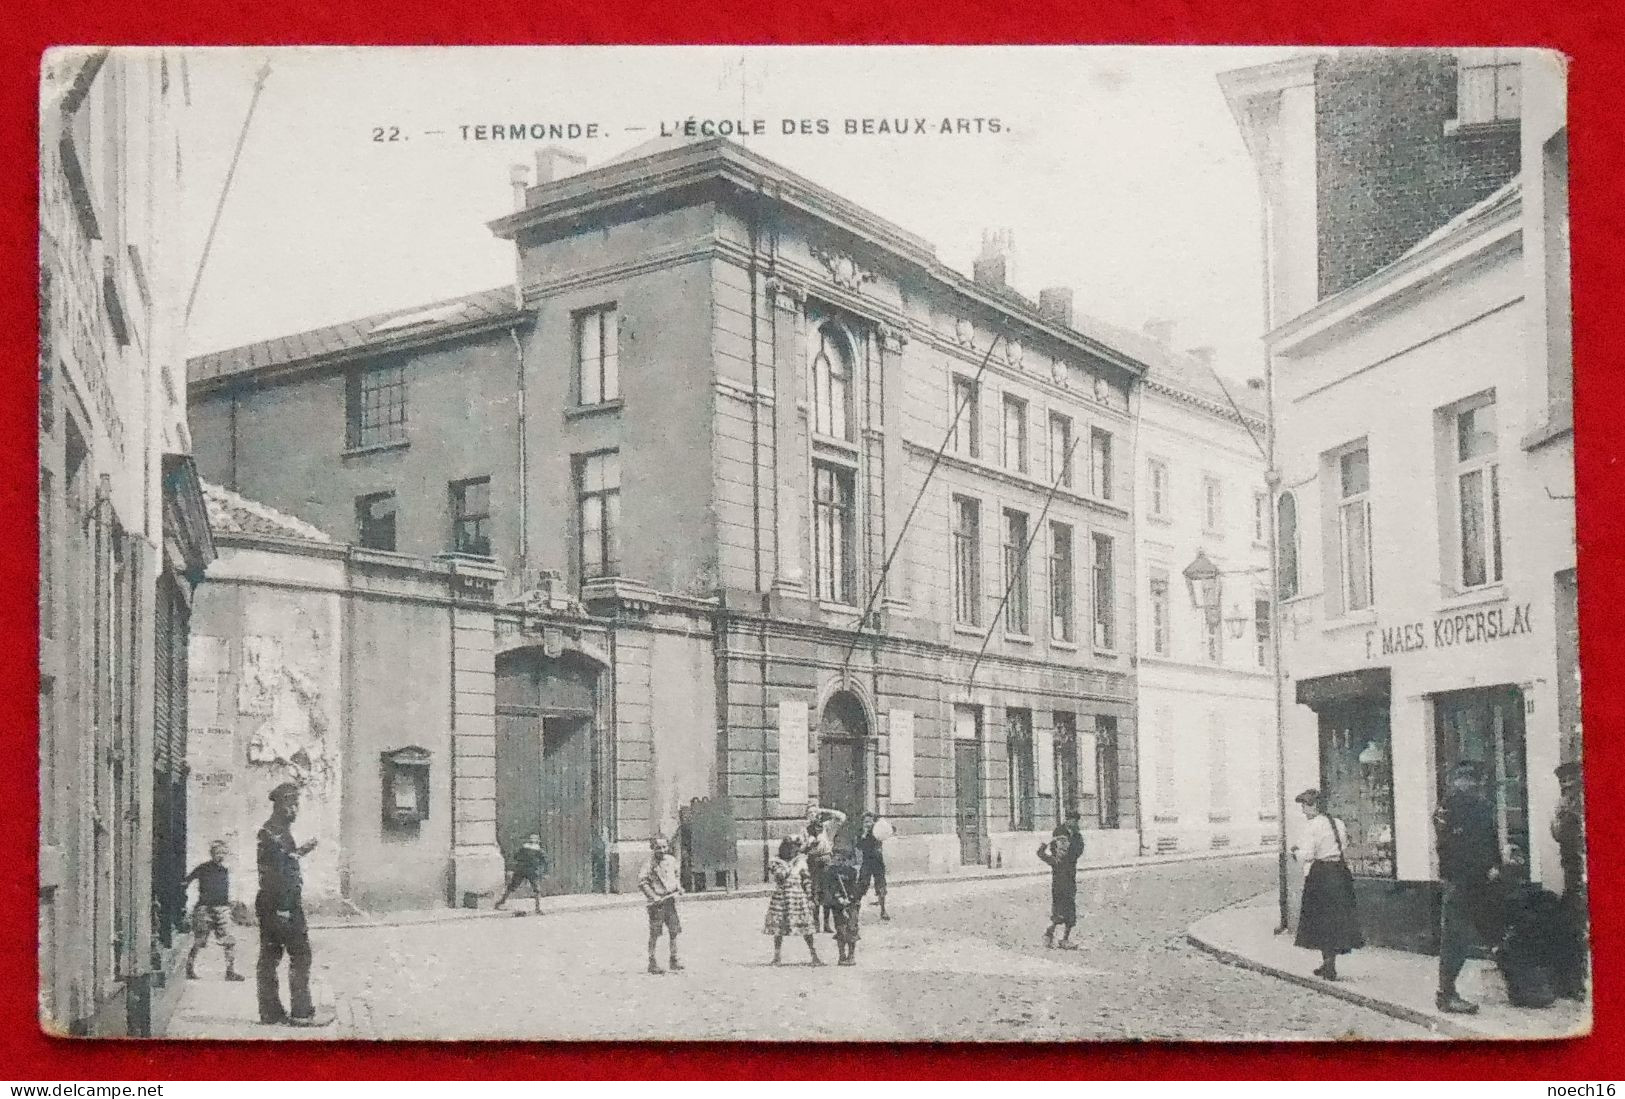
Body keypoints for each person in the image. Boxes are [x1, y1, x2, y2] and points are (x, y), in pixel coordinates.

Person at [256, 781, 332, 1026]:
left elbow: (284, 862)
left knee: (270, 955)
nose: (296, 810)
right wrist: (285, 908)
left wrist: (302, 851)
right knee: (300, 955)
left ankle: (270, 1013)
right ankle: (301, 1013)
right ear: (281, 805)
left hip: (271, 903)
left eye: (296, 804)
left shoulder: (273, 831)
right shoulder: (274, 834)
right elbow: (277, 875)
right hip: (282, 903)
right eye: (292, 804)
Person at [1434, 760, 1504, 1014]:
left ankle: (1520, 984)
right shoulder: (1447, 808)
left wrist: (1495, 865)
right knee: (1456, 937)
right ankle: (1446, 994)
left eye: (1472, 779)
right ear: (1455, 781)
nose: (1468, 783)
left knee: (1496, 932)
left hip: (1485, 880)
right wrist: (1482, 865)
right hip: (1459, 880)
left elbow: (1491, 840)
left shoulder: (1483, 807)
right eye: (1462, 779)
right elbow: (1448, 846)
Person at [1288, 788, 1363, 980]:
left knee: (1322, 920)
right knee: (1336, 919)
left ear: (1314, 806)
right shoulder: (1337, 823)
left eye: (1305, 806)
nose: (1303, 810)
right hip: (1339, 871)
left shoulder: (1312, 826)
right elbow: (1343, 845)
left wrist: (1295, 852)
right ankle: (1329, 963)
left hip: (1321, 874)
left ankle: (1329, 966)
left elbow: (1309, 854)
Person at [1549, 760, 1588, 1000]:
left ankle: (1576, 984)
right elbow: (1558, 835)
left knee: (1576, 930)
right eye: (1563, 783)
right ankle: (1574, 984)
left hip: (1580, 878)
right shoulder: (1565, 806)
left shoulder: (1572, 806)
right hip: (1574, 877)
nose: (1566, 787)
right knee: (1573, 930)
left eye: (1570, 782)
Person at [182, 839, 244, 982]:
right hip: (204, 909)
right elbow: (187, 881)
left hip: (222, 909)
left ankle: (230, 972)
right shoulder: (203, 868)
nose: (220, 855)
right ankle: (189, 969)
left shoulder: (225, 870)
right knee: (199, 940)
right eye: (217, 852)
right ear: (212, 853)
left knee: (229, 940)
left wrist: (231, 904)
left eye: (223, 852)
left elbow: (230, 890)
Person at [763, 835, 821, 966]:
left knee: (806, 928)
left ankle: (814, 955)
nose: (790, 851)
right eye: (788, 848)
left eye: (793, 848)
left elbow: (806, 880)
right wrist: (792, 864)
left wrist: (810, 897)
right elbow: (781, 875)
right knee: (778, 929)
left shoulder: (800, 861)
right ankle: (777, 956)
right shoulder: (775, 861)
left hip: (798, 897)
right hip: (782, 897)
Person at [638, 834, 684, 975]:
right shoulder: (649, 864)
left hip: (670, 901)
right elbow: (642, 882)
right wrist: (653, 896)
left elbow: (675, 875)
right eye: (658, 848)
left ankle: (674, 959)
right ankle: (652, 962)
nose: (662, 850)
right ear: (653, 848)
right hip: (657, 904)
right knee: (655, 933)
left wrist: (678, 887)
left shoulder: (671, 860)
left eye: (664, 847)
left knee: (674, 930)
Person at [800, 806, 846, 933]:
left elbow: (842, 816)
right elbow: (801, 848)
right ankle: (816, 923)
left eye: (815, 812)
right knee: (815, 892)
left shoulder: (826, 827)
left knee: (828, 893)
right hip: (813, 861)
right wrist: (809, 845)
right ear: (807, 817)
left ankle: (826, 924)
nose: (813, 815)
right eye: (810, 813)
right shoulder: (805, 830)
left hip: (826, 860)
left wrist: (824, 810)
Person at [1036, 826, 1081, 949]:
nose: (1063, 846)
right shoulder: (1055, 860)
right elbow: (1040, 853)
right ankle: (1049, 934)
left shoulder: (1071, 859)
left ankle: (1064, 939)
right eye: (1060, 843)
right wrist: (1047, 842)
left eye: (1066, 843)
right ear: (1056, 846)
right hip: (1058, 891)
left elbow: (1078, 849)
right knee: (1058, 916)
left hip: (1070, 888)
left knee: (1070, 916)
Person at [825, 849, 864, 966]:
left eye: (844, 860)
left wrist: (850, 898)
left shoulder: (853, 872)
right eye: (838, 859)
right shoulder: (831, 872)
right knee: (840, 929)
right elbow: (830, 887)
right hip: (838, 905)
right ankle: (841, 955)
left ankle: (851, 955)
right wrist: (838, 898)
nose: (841, 862)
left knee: (852, 928)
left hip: (852, 904)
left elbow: (857, 888)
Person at [495, 833, 549, 914]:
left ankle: (501, 902)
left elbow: (516, 857)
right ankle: (537, 908)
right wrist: (544, 871)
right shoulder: (539, 851)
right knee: (537, 890)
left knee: (512, 887)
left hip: (521, 870)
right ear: (538, 841)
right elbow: (545, 861)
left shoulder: (523, 848)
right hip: (531, 871)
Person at [855, 811, 893, 921]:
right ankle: (855, 911)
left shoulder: (877, 831)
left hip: (878, 862)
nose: (868, 824)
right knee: (862, 885)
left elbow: (886, 833)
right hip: (867, 862)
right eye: (865, 822)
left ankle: (883, 910)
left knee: (881, 886)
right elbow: (859, 846)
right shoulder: (861, 833)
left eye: (870, 821)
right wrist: (864, 835)